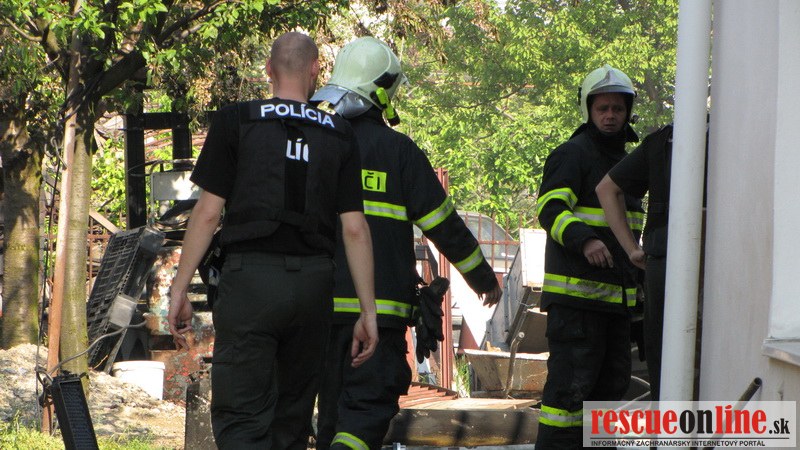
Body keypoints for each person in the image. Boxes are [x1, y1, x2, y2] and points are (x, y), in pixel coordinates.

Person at [166, 32, 379, 450]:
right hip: (314, 287)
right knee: (292, 422)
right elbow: (355, 229)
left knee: (242, 419)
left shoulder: (236, 120)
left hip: (250, 284)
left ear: (268, 69)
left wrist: (179, 289)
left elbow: (207, 214)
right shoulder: (339, 133)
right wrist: (367, 312)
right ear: (316, 69)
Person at [310, 36, 503, 450]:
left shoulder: (314, 144)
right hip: (379, 315)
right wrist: (483, 277)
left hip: (317, 309)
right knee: (366, 409)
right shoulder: (398, 152)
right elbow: (443, 225)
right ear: (385, 92)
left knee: (332, 412)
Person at [535, 64, 645, 449]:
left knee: (607, 397)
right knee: (567, 398)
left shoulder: (629, 164)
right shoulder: (573, 154)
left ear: (628, 112)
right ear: (588, 110)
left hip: (615, 308)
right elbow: (550, 209)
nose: (610, 116)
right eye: (603, 109)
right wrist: (585, 240)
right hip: (577, 307)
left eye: (617, 108)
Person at [596, 123, 674, 401]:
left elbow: (606, 188)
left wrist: (632, 250)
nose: (610, 117)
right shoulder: (724, 137)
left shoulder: (662, 141)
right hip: (677, 267)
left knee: (665, 369)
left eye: (617, 109)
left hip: (660, 265)